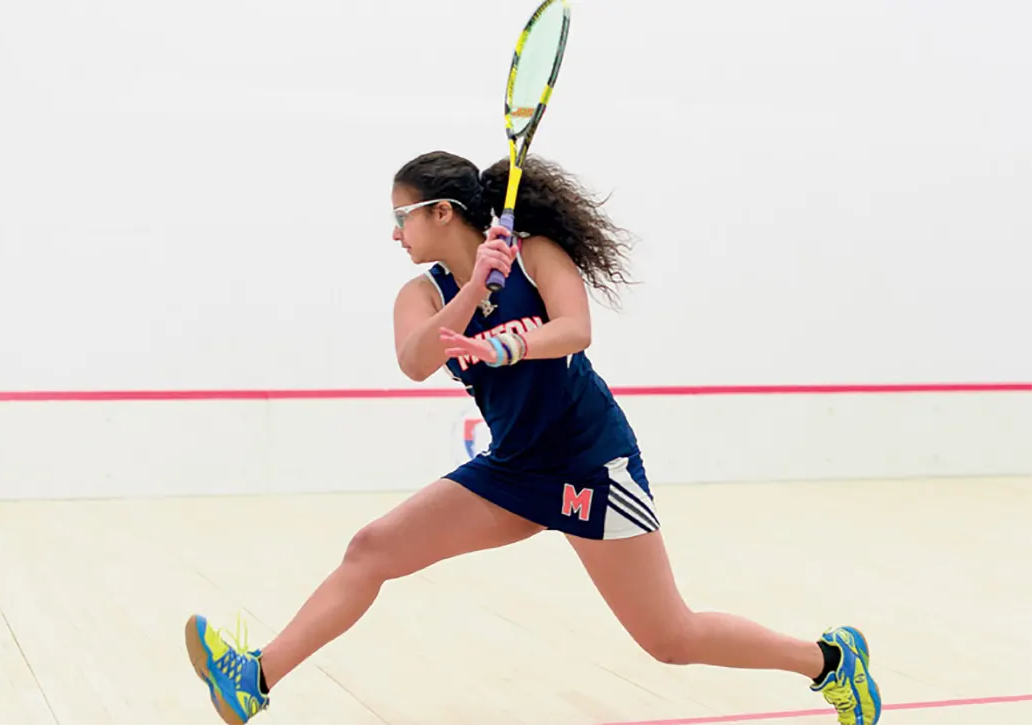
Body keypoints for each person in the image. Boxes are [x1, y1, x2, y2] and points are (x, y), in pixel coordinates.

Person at [182, 150, 881, 725]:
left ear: (442, 212)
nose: (396, 234)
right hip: (513, 468)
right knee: (371, 549)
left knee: (670, 637)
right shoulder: (422, 293)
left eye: (403, 217)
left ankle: (830, 661)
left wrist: (507, 344)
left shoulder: (537, 252)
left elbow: (574, 329)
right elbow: (417, 359)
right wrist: (472, 289)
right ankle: (256, 677)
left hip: (590, 460)